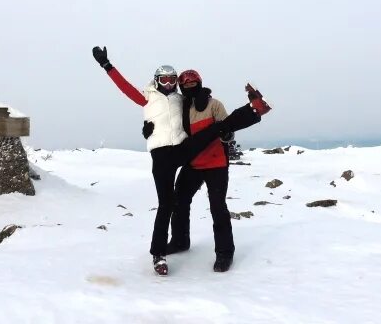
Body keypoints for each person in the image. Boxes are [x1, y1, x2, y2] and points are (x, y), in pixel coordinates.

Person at [92, 46, 270, 276]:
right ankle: (168, 248)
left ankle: (254, 111)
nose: (169, 84)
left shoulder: (190, 101)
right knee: (171, 203)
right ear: (157, 81)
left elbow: (212, 114)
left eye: (172, 80)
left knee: (215, 134)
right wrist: (107, 66)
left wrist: (224, 129)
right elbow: (127, 89)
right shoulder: (161, 100)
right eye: (164, 80)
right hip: (175, 157)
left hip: (198, 156)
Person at [166, 69, 243, 272]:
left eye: (193, 85)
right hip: (193, 164)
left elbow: (230, 132)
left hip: (216, 164)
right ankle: (180, 241)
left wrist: (226, 134)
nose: (189, 89)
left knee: (218, 207)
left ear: (199, 84)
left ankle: (225, 254)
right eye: (186, 86)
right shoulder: (182, 108)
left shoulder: (214, 105)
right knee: (179, 200)